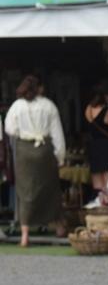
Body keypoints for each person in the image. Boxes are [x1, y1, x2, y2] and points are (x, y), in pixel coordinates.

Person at [4, 75, 66, 247]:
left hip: (25, 151)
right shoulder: (49, 106)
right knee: (51, 189)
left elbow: (9, 128)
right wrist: (60, 156)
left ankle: (25, 235)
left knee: (25, 192)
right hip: (44, 150)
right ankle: (60, 227)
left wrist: (22, 133)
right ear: (39, 88)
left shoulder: (17, 106)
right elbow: (57, 134)